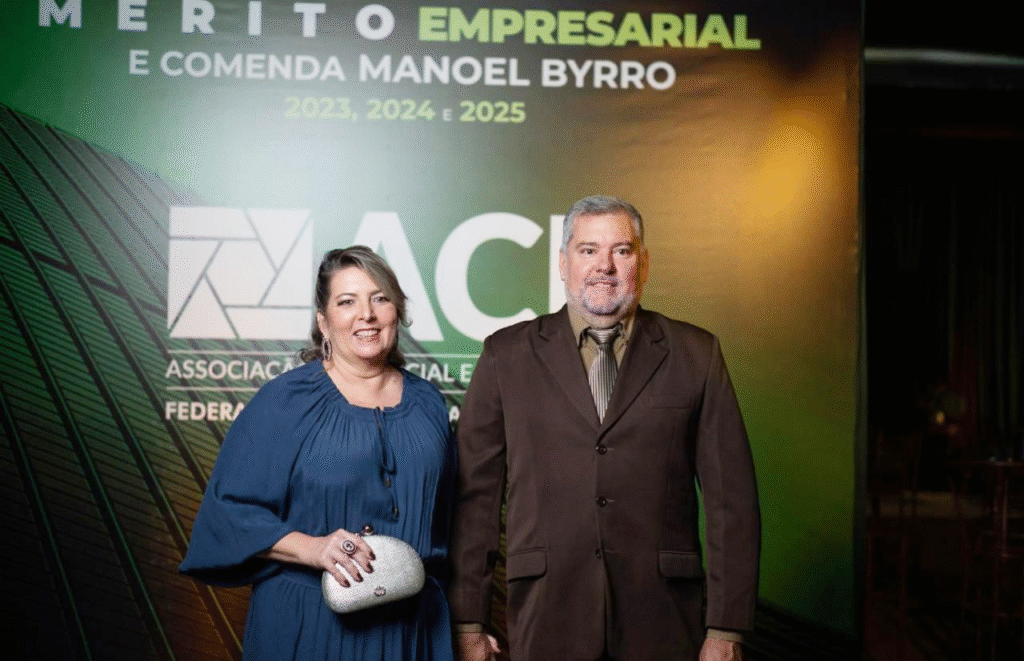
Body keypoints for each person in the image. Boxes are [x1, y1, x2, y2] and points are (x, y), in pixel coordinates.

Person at [449, 196, 760, 661]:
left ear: (643, 263)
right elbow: (475, 500)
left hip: (663, 621)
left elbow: (730, 503)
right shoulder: (505, 355)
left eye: (622, 250)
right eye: (588, 250)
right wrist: (468, 621)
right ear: (563, 263)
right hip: (545, 616)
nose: (605, 266)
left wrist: (727, 629)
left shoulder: (697, 354)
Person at [179, 246, 457, 661]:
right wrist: (313, 548)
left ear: (397, 311)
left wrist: (467, 626)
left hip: (412, 630)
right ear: (324, 322)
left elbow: (453, 523)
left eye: (380, 298)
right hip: (311, 625)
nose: (366, 314)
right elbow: (227, 513)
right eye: (347, 302)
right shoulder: (286, 401)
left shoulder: (429, 403)